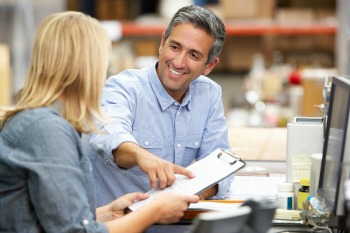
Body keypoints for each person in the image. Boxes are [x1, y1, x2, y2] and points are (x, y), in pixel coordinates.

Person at [0, 11, 199, 233]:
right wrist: (152, 213)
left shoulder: (38, 120)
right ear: (87, 65)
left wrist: (106, 213)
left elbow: (50, 217)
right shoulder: (46, 130)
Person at [84, 5, 234, 207]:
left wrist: (195, 192)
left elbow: (221, 165)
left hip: (174, 223)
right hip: (118, 224)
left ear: (209, 65)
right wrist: (141, 156)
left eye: (193, 55)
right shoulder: (123, 88)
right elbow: (110, 135)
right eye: (175, 47)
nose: (179, 62)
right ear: (162, 43)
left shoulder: (209, 94)